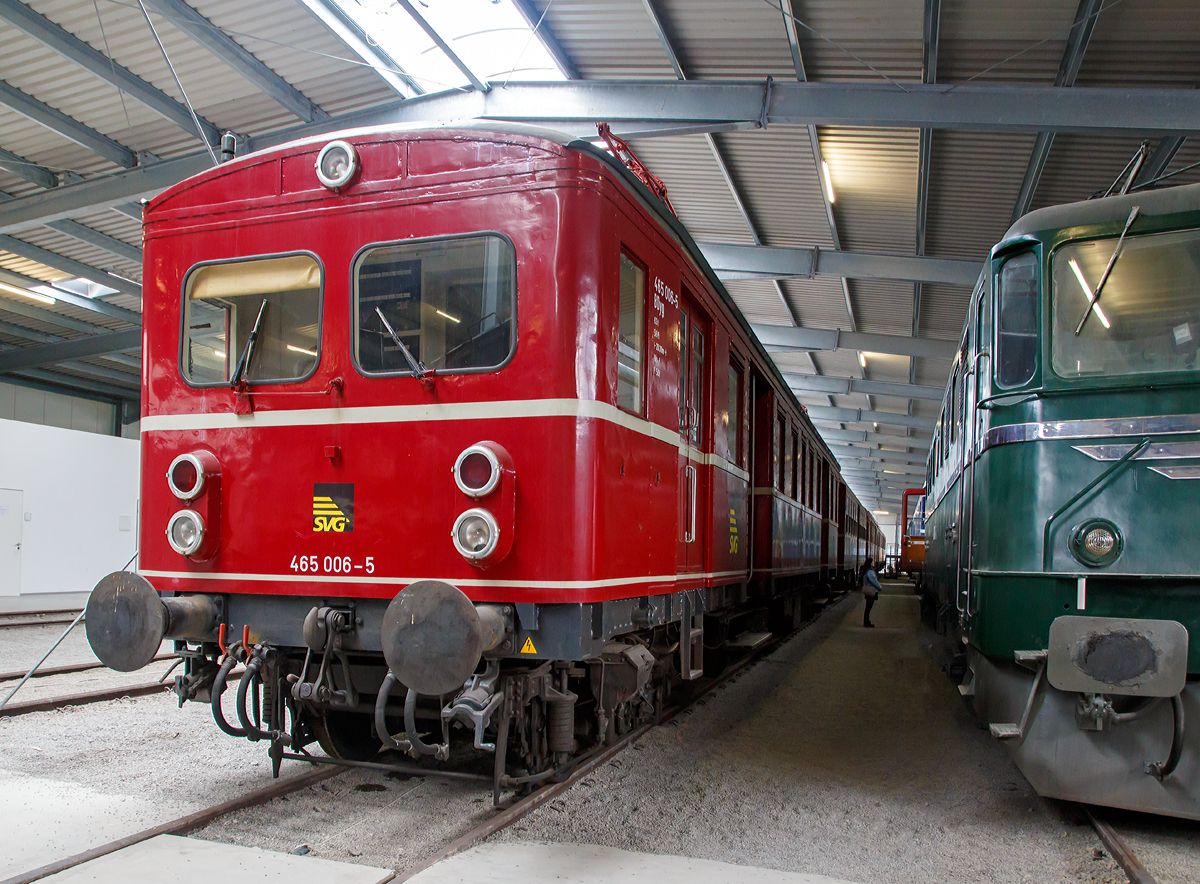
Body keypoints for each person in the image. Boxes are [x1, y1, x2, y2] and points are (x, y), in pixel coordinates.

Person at [860, 557, 882, 628]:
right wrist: (879, 587)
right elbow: (874, 581)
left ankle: (867, 621)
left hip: (868, 591)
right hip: (871, 591)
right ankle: (866, 622)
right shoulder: (870, 572)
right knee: (868, 607)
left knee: (867, 607)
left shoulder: (866, 571)